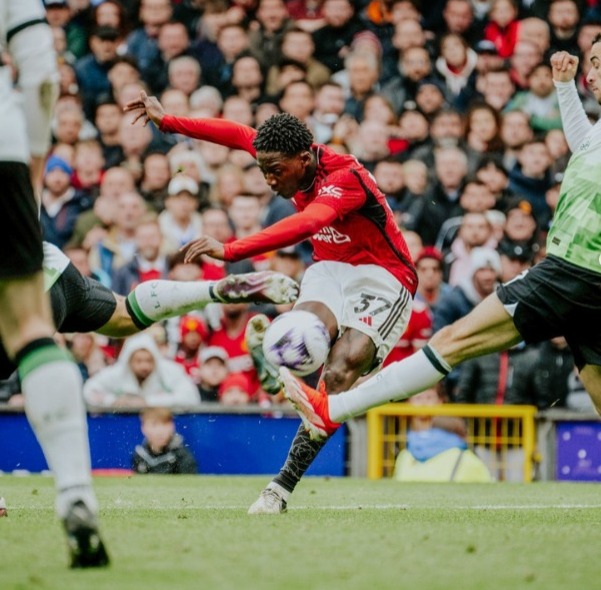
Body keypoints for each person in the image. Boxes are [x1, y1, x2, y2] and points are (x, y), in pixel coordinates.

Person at [278, 44, 601, 455]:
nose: (590, 75)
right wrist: (564, 87)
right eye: (590, 65)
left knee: (452, 341)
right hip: (589, 281)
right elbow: (587, 145)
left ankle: (333, 409)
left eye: (598, 65)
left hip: (572, 269)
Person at [123, 95, 417, 514]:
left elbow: (308, 223)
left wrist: (232, 249)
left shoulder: (345, 177)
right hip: (330, 269)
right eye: (263, 170)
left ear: (303, 159)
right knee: (303, 339)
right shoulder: (281, 151)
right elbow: (234, 133)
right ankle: (276, 370)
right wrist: (168, 121)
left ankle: (280, 487)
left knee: (337, 373)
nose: (268, 180)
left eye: (275, 171)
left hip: (383, 276)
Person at [0, 0, 110, 568]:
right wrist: (34, 154)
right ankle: (73, 491)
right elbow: (40, 68)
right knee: (30, 327)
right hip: (4, 145)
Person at [0, 241, 299, 385]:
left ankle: (72, 484)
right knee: (125, 316)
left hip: (18, 283)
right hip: (55, 265)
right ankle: (214, 290)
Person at [132, 407, 198, 474]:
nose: (160, 431)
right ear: (143, 428)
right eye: (154, 425)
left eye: (165, 424)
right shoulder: (139, 455)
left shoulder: (182, 456)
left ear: (172, 426)